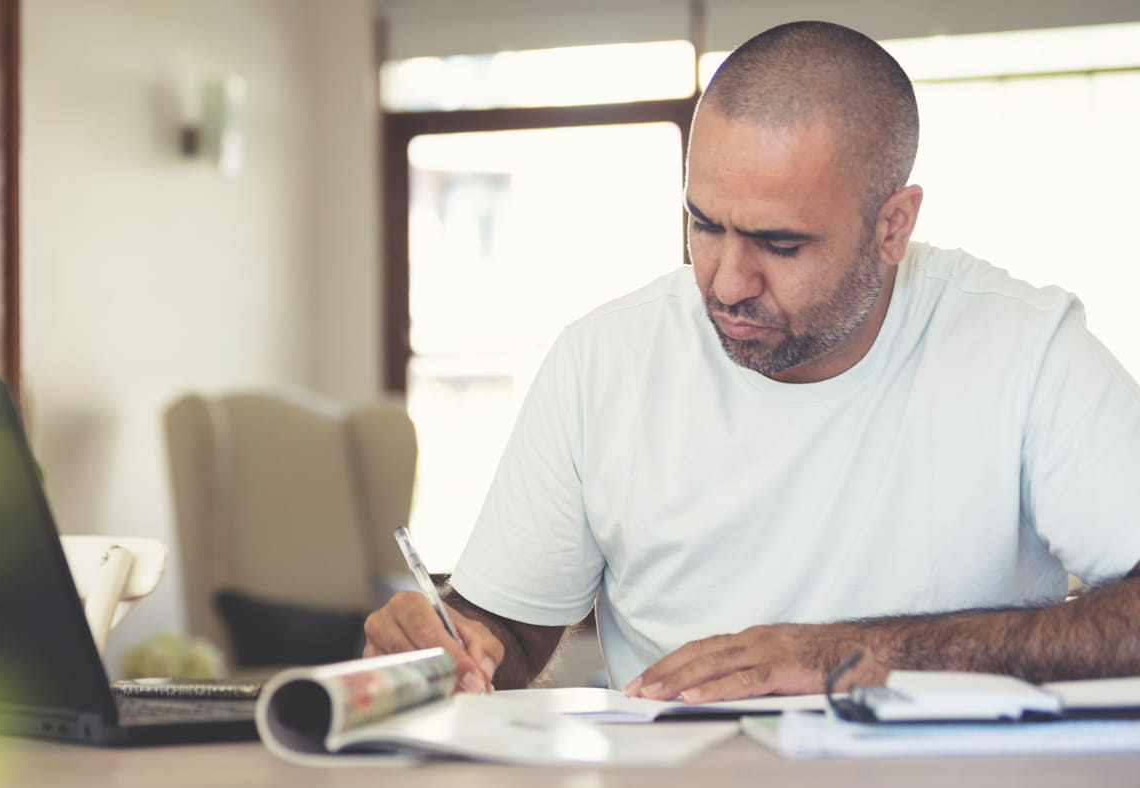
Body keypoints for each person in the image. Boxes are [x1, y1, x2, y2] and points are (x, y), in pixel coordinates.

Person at [363, 20, 1140, 702]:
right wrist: (446, 645)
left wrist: (851, 655)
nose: (728, 283)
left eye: (780, 243)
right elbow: (510, 633)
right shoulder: (604, 360)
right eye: (704, 225)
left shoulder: (1026, 348)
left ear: (893, 225)